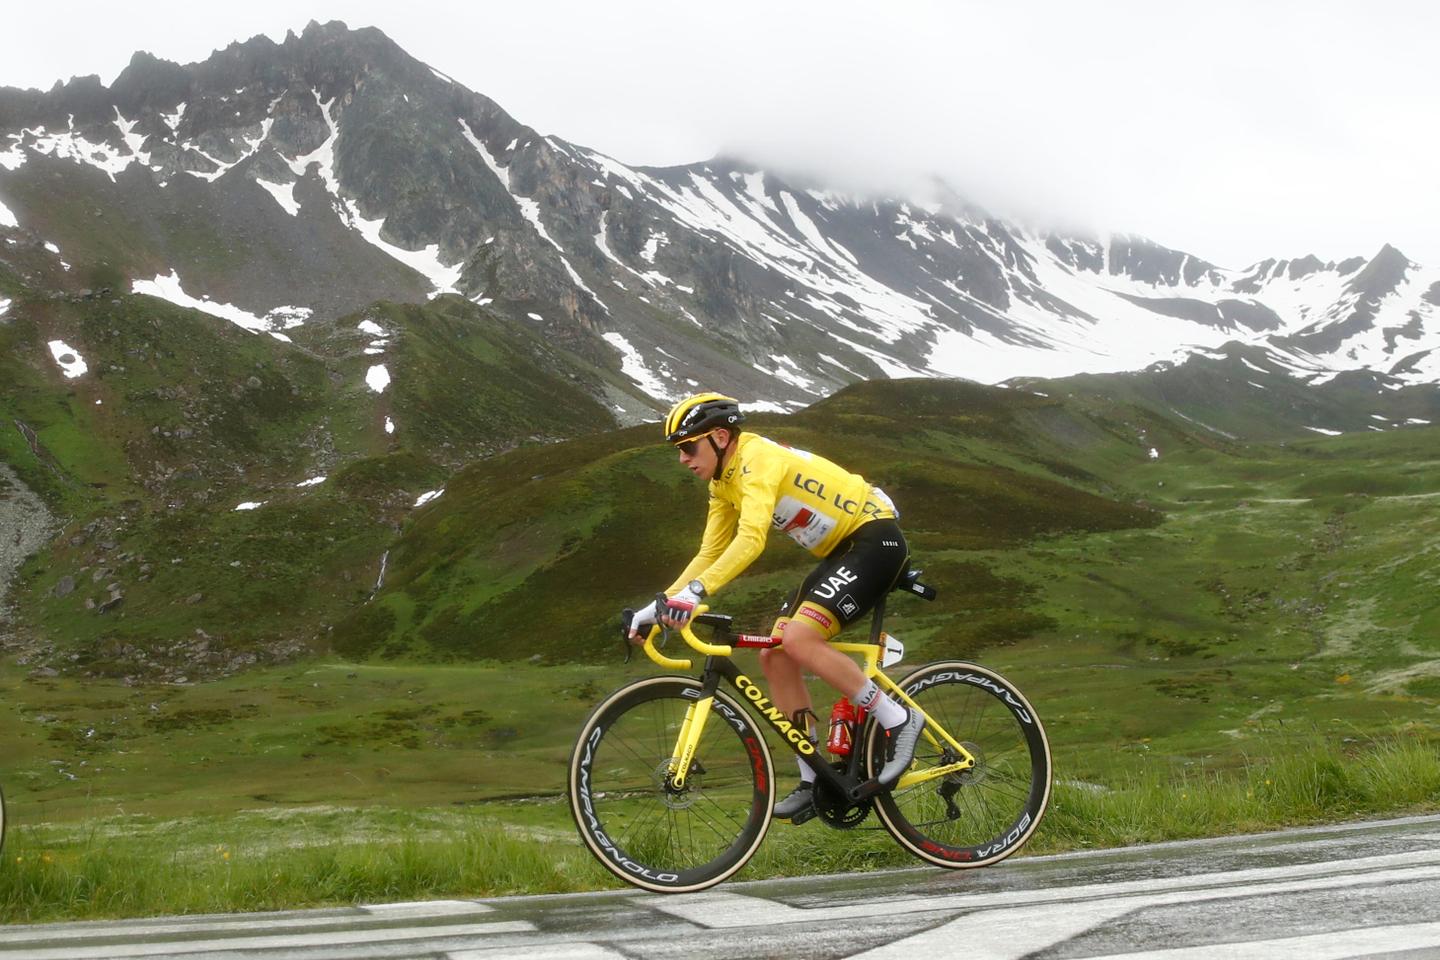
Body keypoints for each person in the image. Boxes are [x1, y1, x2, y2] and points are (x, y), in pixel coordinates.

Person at [628, 392, 923, 819]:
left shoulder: (757, 459)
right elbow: (709, 554)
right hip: (842, 552)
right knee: (776, 653)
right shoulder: (722, 483)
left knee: (800, 638)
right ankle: (813, 776)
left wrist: (694, 595)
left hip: (875, 540)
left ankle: (897, 719)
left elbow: (751, 540)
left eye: (688, 447)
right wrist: (659, 606)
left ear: (720, 437)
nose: (683, 459)